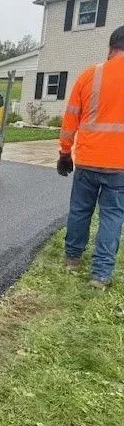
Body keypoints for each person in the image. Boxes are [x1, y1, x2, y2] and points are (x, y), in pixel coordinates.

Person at [58, 25, 124, 289]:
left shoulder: (89, 75)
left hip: (87, 159)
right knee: (112, 216)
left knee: (80, 210)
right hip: (120, 166)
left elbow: (70, 118)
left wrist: (65, 153)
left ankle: (72, 260)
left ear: (110, 48)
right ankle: (100, 275)